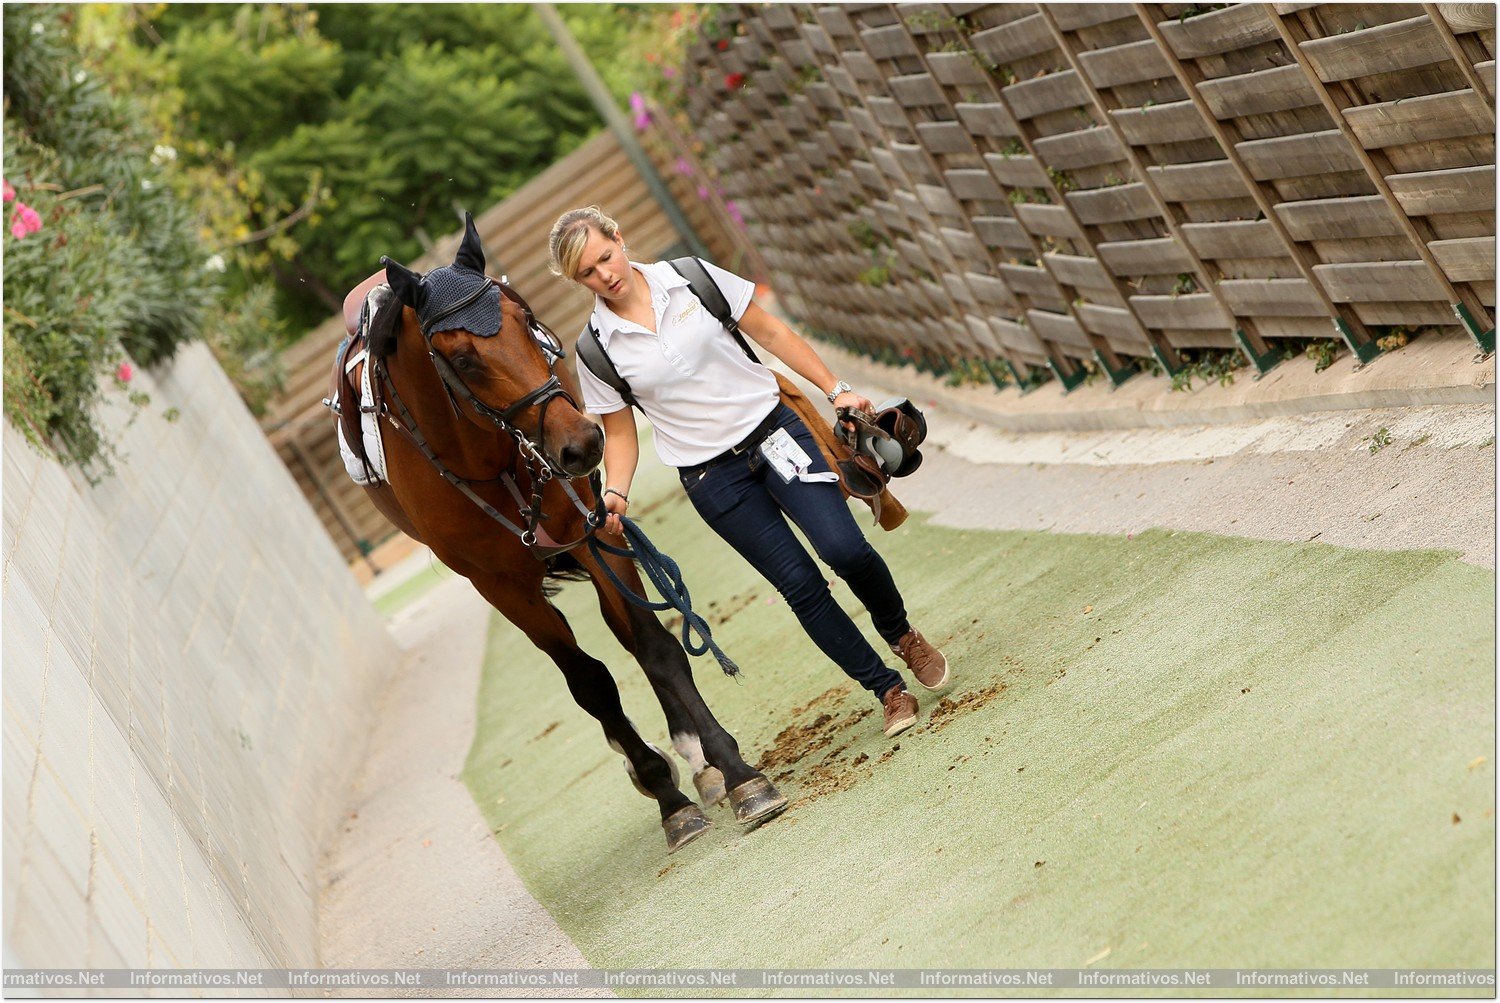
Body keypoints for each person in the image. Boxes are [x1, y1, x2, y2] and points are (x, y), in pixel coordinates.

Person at [547, 206, 952, 737]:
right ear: (578, 281)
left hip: (776, 433)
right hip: (713, 480)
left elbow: (773, 334)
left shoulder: (692, 277)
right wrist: (617, 494)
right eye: (588, 273)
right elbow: (620, 432)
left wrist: (835, 388)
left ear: (619, 239)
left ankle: (901, 633)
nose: (606, 274)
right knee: (801, 587)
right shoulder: (595, 348)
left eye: (606, 256)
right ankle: (886, 689)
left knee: (845, 549)